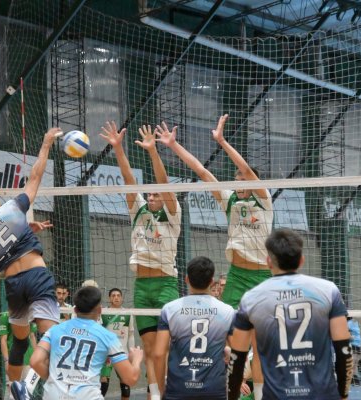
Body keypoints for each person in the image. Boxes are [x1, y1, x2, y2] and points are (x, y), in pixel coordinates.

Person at [156, 115, 272, 397]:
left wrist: (222, 141)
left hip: (261, 277)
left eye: (241, 177)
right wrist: (173, 146)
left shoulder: (263, 199)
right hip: (237, 275)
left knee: (262, 342)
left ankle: (260, 393)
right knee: (227, 337)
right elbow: (202, 171)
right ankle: (230, 385)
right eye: (236, 178)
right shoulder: (230, 199)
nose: (237, 179)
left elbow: (246, 169)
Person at [0, 127, 61, 400]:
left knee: (19, 340)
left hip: (13, 284)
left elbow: (4, 251)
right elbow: (35, 177)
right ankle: (57, 387)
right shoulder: (11, 209)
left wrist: (26, 230)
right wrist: (45, 145)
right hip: (36, 276)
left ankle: (14, 389)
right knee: (50, 336)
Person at [100, 121, 181, 400]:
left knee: (162, 351)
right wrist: (118, 148)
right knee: (148, 350)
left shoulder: (172, 213)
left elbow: (164, 184)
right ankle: (154, 395)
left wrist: (152, 152)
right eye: (150, 193)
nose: (152, 195)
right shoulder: (138, 211)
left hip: (166, 284)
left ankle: (167, 392)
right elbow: (128, 181)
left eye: (155, 193)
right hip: (142, 286)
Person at [227, 228, 353, 400]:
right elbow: (344, 349)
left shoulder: (251, 298)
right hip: (322, 393)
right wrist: (344, 395)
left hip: (277, 394)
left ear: (268, 261)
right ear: (301, 260)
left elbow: (237, 357)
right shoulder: (328, 291)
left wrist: (232, 396)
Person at [30, 286, 144, 400]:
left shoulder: (54, 330)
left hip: (54, 395)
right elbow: (131, 379)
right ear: (99, 310)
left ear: (74, 310)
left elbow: (35, 361)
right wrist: (136, 359)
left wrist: (54, 379)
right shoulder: (108, 336)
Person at [153, 256, 235, 400]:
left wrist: (160, 389)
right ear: (211, 282)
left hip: (178, 389)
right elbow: (238, 352)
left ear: (186, 279)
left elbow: (159, 354)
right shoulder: (228, 311)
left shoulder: (169, 309)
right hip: (215, 389)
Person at [100, 288, 136, 399]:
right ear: (109, 298)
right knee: (103, 384)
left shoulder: (127, 313)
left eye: (118, 295)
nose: (116, 297)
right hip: (107, 354)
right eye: (113, 295)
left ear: (122, 298)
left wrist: (132, 352)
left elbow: (130, 334)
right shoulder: (103, 312)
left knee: (125, 384)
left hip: (122, 354)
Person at [0, 311, 37, 386]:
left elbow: (32, 336)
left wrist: (36, 357)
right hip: (13, 360)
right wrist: (6, 361)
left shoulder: (30, 314)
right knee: (12, 390)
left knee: (27, 391)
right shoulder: (5, 316)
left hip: (28, 359)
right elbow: (3, 340)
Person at [347, 316, 361, 385]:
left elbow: (358, 335)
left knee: (356, 362)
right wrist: (350, 337)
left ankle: (356, 377)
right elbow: (345, 332)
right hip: (352, 344)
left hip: (358, 345)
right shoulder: (349, 323)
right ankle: (350, 378)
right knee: (353, 362)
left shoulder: (357, 323)